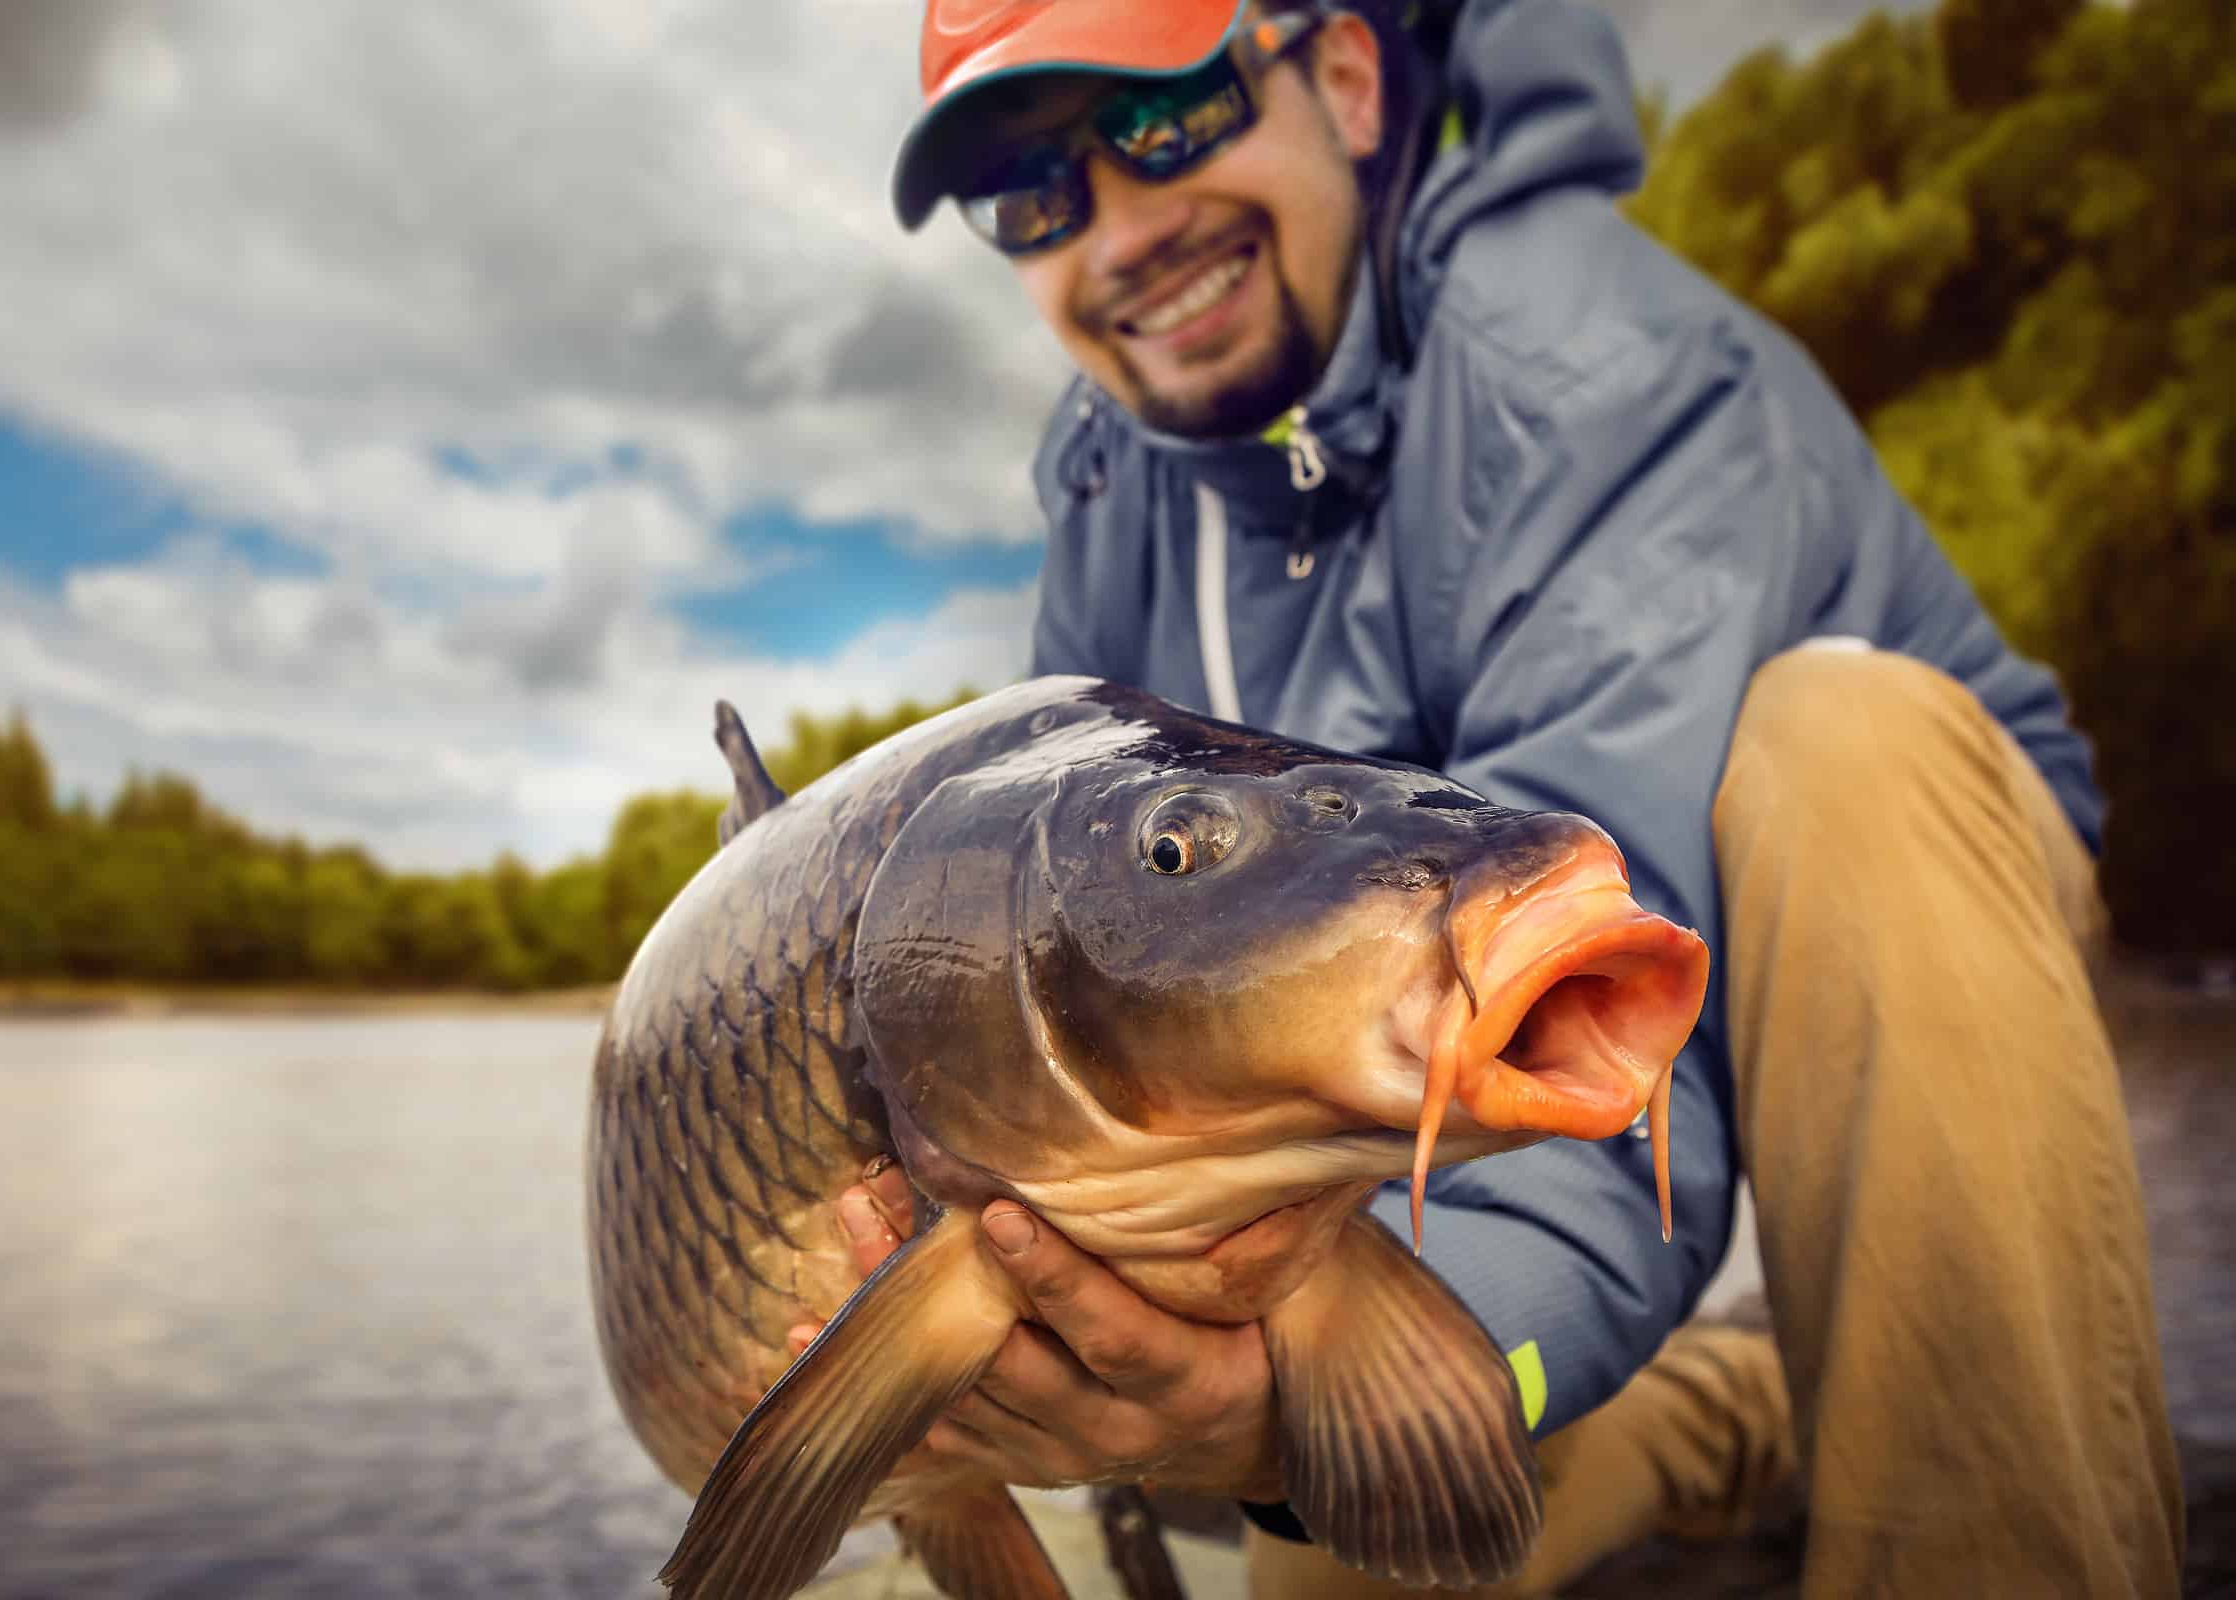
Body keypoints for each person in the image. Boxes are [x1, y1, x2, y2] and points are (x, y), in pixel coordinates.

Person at [812, 0, 2187, 1594]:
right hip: (1431, 989)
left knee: (1842, 743)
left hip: (1890, 908)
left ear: (1336, 76)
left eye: (1167, 115)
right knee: (1339, 1529)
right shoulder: (1110, 485)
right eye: (1030, 191)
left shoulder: (1589, 357)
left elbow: (1559, 1005)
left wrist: (1342, 1375)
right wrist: (1235, 1398)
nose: (1119, 229)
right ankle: (1729, 1410)